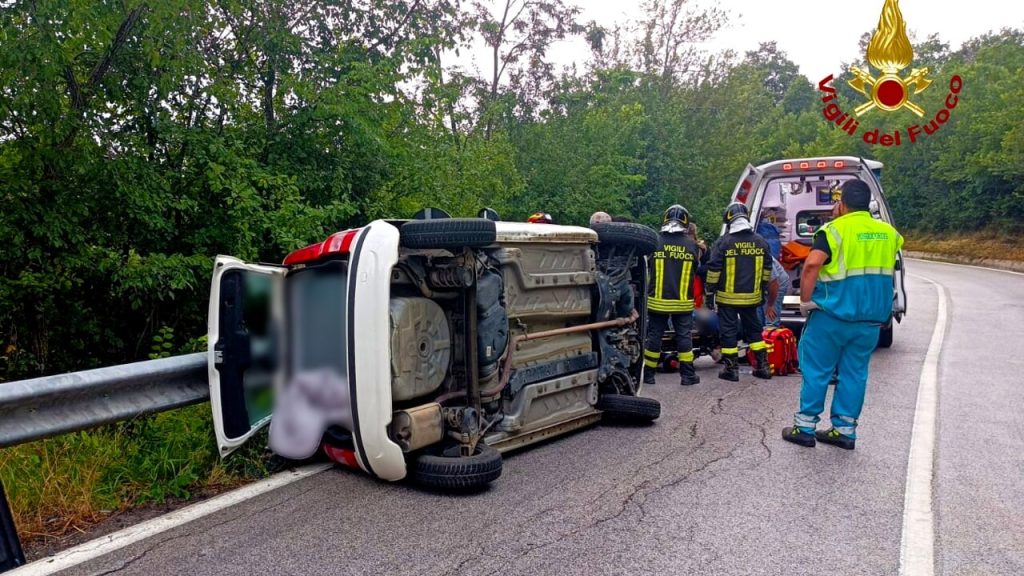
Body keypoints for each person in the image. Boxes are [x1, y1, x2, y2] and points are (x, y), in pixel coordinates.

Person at [782, 179, 904, 450]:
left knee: (817, 371)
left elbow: (812, 264)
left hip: (832, 316)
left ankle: (804, 427)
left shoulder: (833, 231)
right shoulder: (889, 233)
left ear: (842, 203)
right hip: (870, 320)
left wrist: (805, 301)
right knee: (854, 373)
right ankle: (844, 431)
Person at [704, 202, 774, 381]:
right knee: (755, 332)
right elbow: (767, 270)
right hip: (752, 298)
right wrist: (762, 291)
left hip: (728, 299)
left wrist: (710, 293)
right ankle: (763, 367)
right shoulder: (761, 241)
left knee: (728, 332)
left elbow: (713, 271)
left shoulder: (724, 242)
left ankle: (731, 369)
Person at [643, 205, 702, 386]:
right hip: (682, 302)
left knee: (654, 337)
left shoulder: (655, 242)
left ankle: (649, 375)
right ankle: (687, 376)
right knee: (684, 337)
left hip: (657, 301)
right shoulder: (691, 245)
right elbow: (696, 268)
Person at [759, 256, 790, 328]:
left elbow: (774, 284)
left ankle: (772, 333)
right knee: (758, 321)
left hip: (778, 283)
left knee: (770, 321)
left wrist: (770, 305)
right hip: (762, 285)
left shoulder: (763, 258)